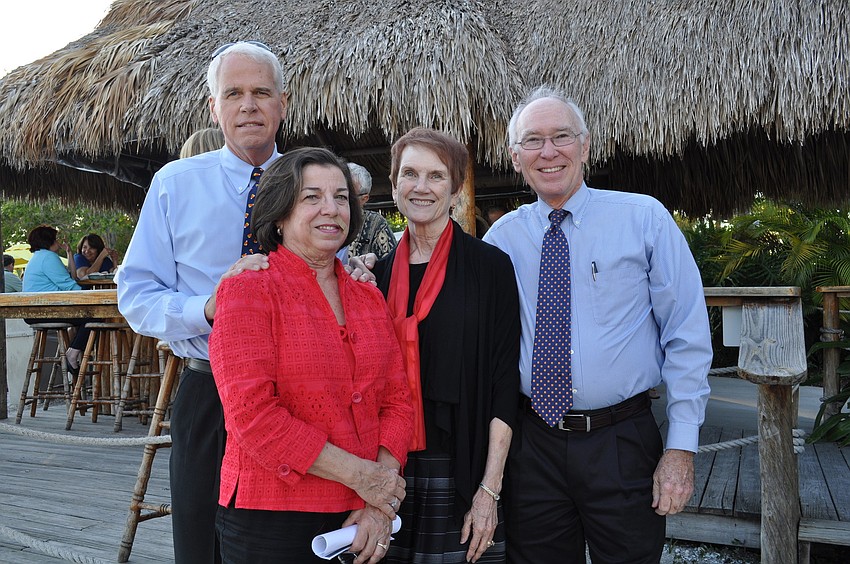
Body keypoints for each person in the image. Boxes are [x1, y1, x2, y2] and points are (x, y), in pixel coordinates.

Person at [482, 86, 712, 563]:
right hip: (534, 445)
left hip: (622, 442)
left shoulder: (643, 219)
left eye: (562, 136)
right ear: (515, 156)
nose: (549, 152)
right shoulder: (501, 240)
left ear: (585, 146)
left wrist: (681, 448)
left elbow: (687, 335)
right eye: (533, 141)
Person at [116, 41, 289, 564]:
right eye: (233, 93)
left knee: (291, 541)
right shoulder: (175, 184)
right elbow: (136, 295)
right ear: (214, 107)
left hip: (298, 397)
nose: (248, 105)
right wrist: (207, 308)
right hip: (209, 389)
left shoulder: (314, 182)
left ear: (283, 102)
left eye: (261, 92)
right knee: (201, 543)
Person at [208, 147, 413, 564]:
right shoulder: (248, 290)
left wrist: (378, 496)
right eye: (311, 197)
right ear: (279, 215)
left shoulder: (368, 297)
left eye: (341, 197)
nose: (331, 209)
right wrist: (365, 479)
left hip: (364, 515)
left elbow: (398, 400)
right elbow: (253, 416)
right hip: (270, 518)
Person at [372, 128, 521, 564]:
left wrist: (489, 490)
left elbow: (502, 383)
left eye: (436, 176)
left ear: (456, 190)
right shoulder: (374, 278)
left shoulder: (489, 267)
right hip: (388, 469)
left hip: (464, 470)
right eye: (410, 173)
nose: (421, 187)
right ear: (394, 183)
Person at [22, 225, 92, 372]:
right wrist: (90, 295)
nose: (58, 243)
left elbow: (67, 280)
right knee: (94, 316)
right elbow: (69, 285)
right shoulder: (48, 257)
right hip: (45, 311)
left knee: (89, 317)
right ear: (49, 241)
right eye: (55, 239)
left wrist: (69, 253)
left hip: (34, 311)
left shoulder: (38, 257)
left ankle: (73, 351)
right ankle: (72, 354)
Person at [346, 162, 397, 259]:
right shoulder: (324, 217)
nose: (340, 199)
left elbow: (391, 262)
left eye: (348, 196)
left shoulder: (375, 223)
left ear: (364, 199)